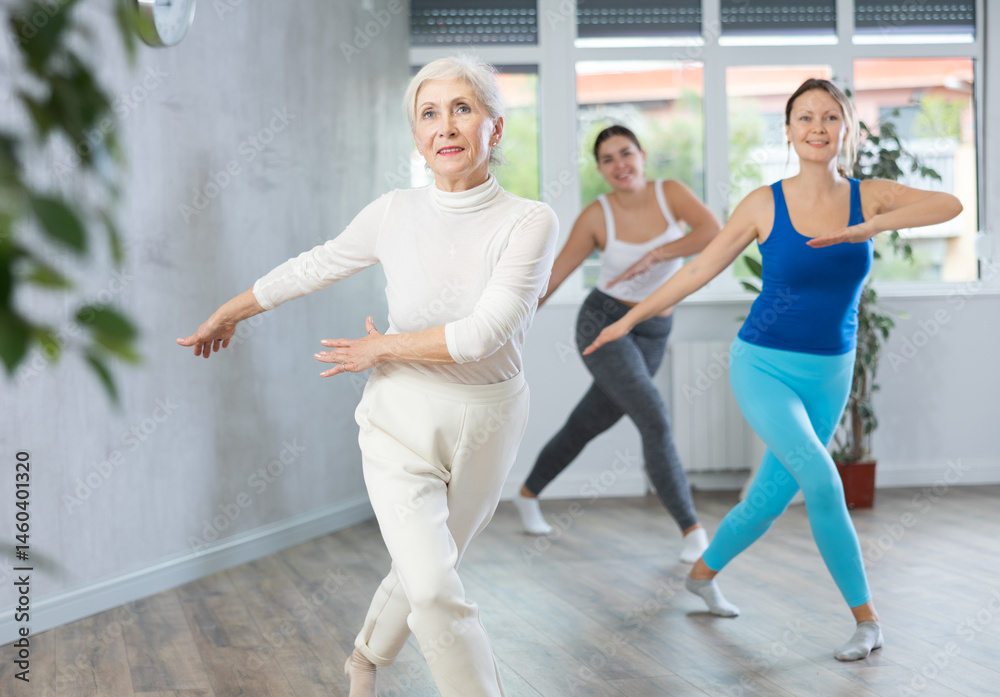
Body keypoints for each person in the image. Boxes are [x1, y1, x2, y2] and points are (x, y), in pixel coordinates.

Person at [177, 55, 558, 697]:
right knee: (435, 587)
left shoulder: (529, 221)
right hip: (400, 419)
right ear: (416, 134)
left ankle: (363, 657)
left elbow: (482, 336)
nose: (446, 126)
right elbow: (315, 265)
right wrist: (228, 310)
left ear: (494, 126)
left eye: (463, 109)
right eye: (429, 113)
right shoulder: (393, 211)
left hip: (490, 418)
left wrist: (383, 348)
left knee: (429, 570)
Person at [583, 78, 961, 661]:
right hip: (761, 363)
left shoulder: (870, 196)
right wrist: (629, 319)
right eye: (804, 117)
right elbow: (696, 270)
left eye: (830, 117)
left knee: (766, 501)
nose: (816, 128)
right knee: (822, 478)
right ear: (787, 131)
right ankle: (868, 620)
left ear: (845, 129)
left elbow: (949, 205)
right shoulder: (765, 203)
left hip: (831, 370)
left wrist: (873, 226)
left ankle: (701, 575)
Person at [513, 124, 721, 564]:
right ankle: (692, 531)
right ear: (600, 169)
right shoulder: (596, 215)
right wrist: (506, 323)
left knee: (588, 422)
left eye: (626, 153)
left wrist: (660, 253)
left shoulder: (672, 193)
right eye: (607, 159)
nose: (619, 165)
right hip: (603, 324)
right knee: (654, 416)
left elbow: (712, 232)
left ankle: (528, 494)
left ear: (643, 155)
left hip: (653, 332)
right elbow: (553, 277)